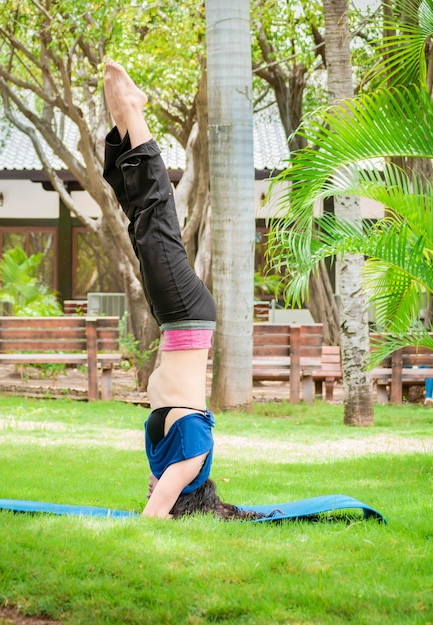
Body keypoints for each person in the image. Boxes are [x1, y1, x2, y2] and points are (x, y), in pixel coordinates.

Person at [102, 59, 262, 520]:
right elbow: (155, 511)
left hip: (177, 321)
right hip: (187, 317)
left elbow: (156, 491)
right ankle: (134, 112)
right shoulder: (193, 456)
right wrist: (157, 515)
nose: (159, 488)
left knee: (141, 228)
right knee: (157, 226)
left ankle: (123, 132)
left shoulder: (171, 460)